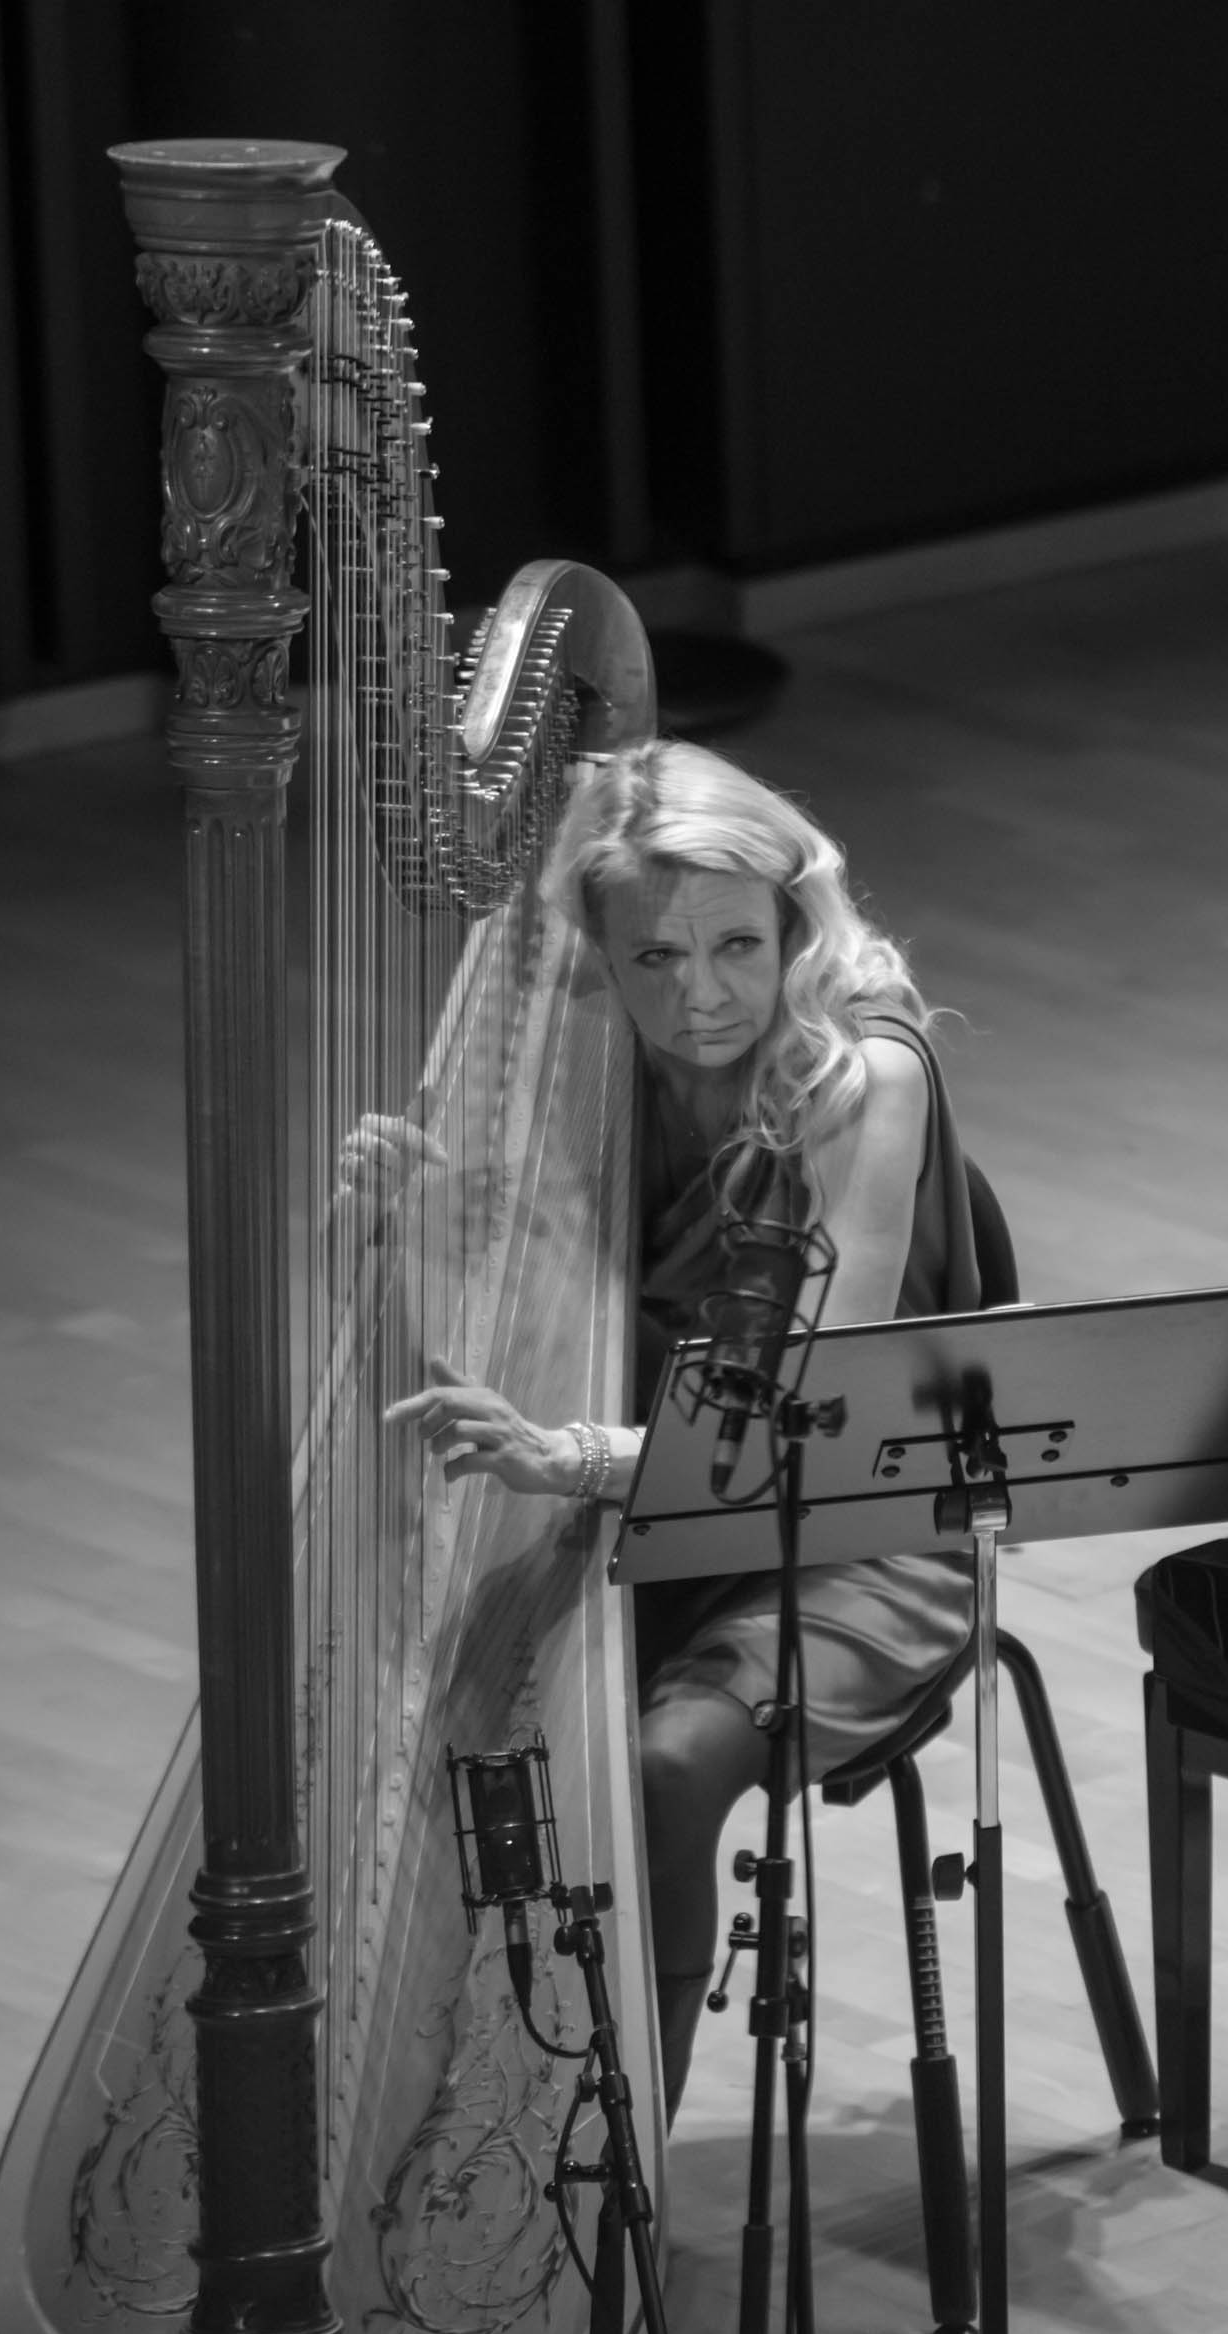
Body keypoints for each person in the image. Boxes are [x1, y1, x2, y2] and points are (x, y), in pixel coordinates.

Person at [372, 740, 984, 2102]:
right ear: (601, 953)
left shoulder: (862, 1080)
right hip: (648, 1509)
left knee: (657, 1765)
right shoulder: (593, 1067)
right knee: (423, 1708)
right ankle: (464, 2110)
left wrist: (570, 1457)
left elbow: (814, 1420)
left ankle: (626, 2168)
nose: (697, 994)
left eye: (734, 947)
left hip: (848, 1531)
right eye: (652, 958)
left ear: (796, 926)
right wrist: (390, 1241)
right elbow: (455, 1382)